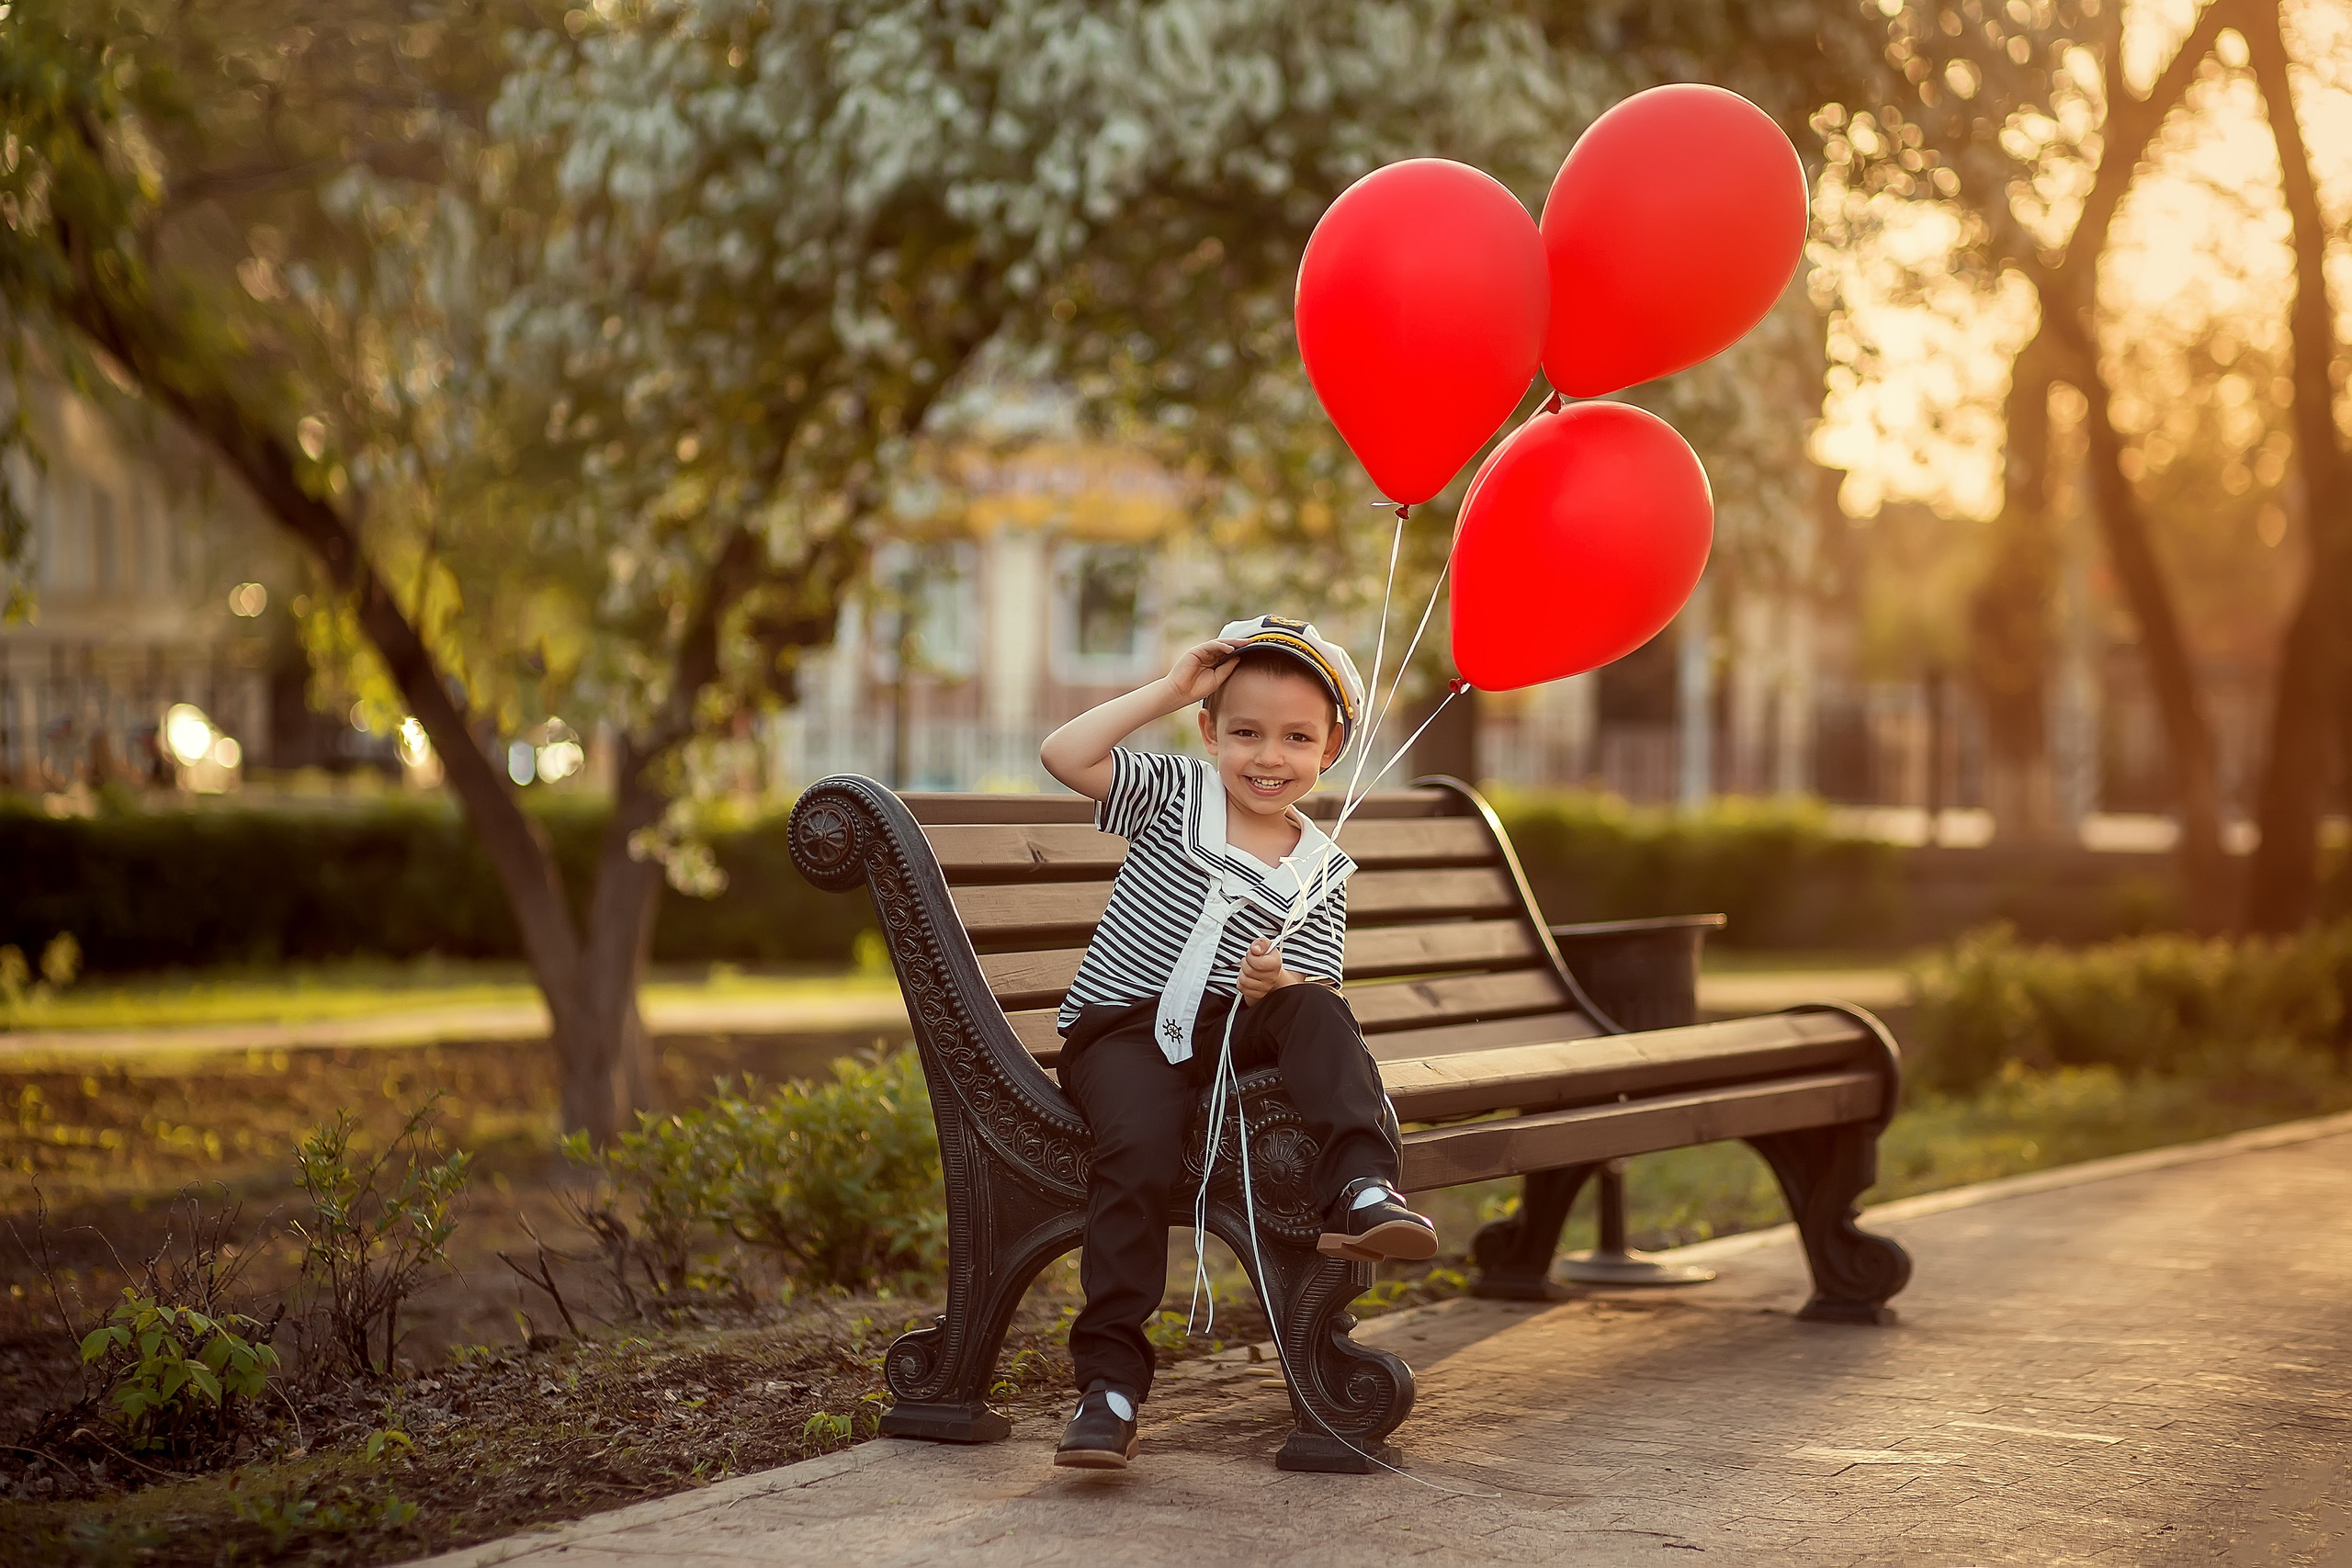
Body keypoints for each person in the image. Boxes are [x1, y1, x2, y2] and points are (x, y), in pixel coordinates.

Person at [1036, 614, 1437, 1472]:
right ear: (1211, 732)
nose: (1269, 756)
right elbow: (1065, 755)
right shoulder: (1178, 793)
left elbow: (1311, 991)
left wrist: (1277, 986)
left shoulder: (1320, 866)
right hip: (1126, 1032)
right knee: (1137, 1152)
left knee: (1322, 1013)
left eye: (1296, 737)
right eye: (1246, 731)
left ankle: (1364, 1185)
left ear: (1329, 750)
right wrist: (1171, 688)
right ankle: (1108, 1384)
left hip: (1231, 1034)